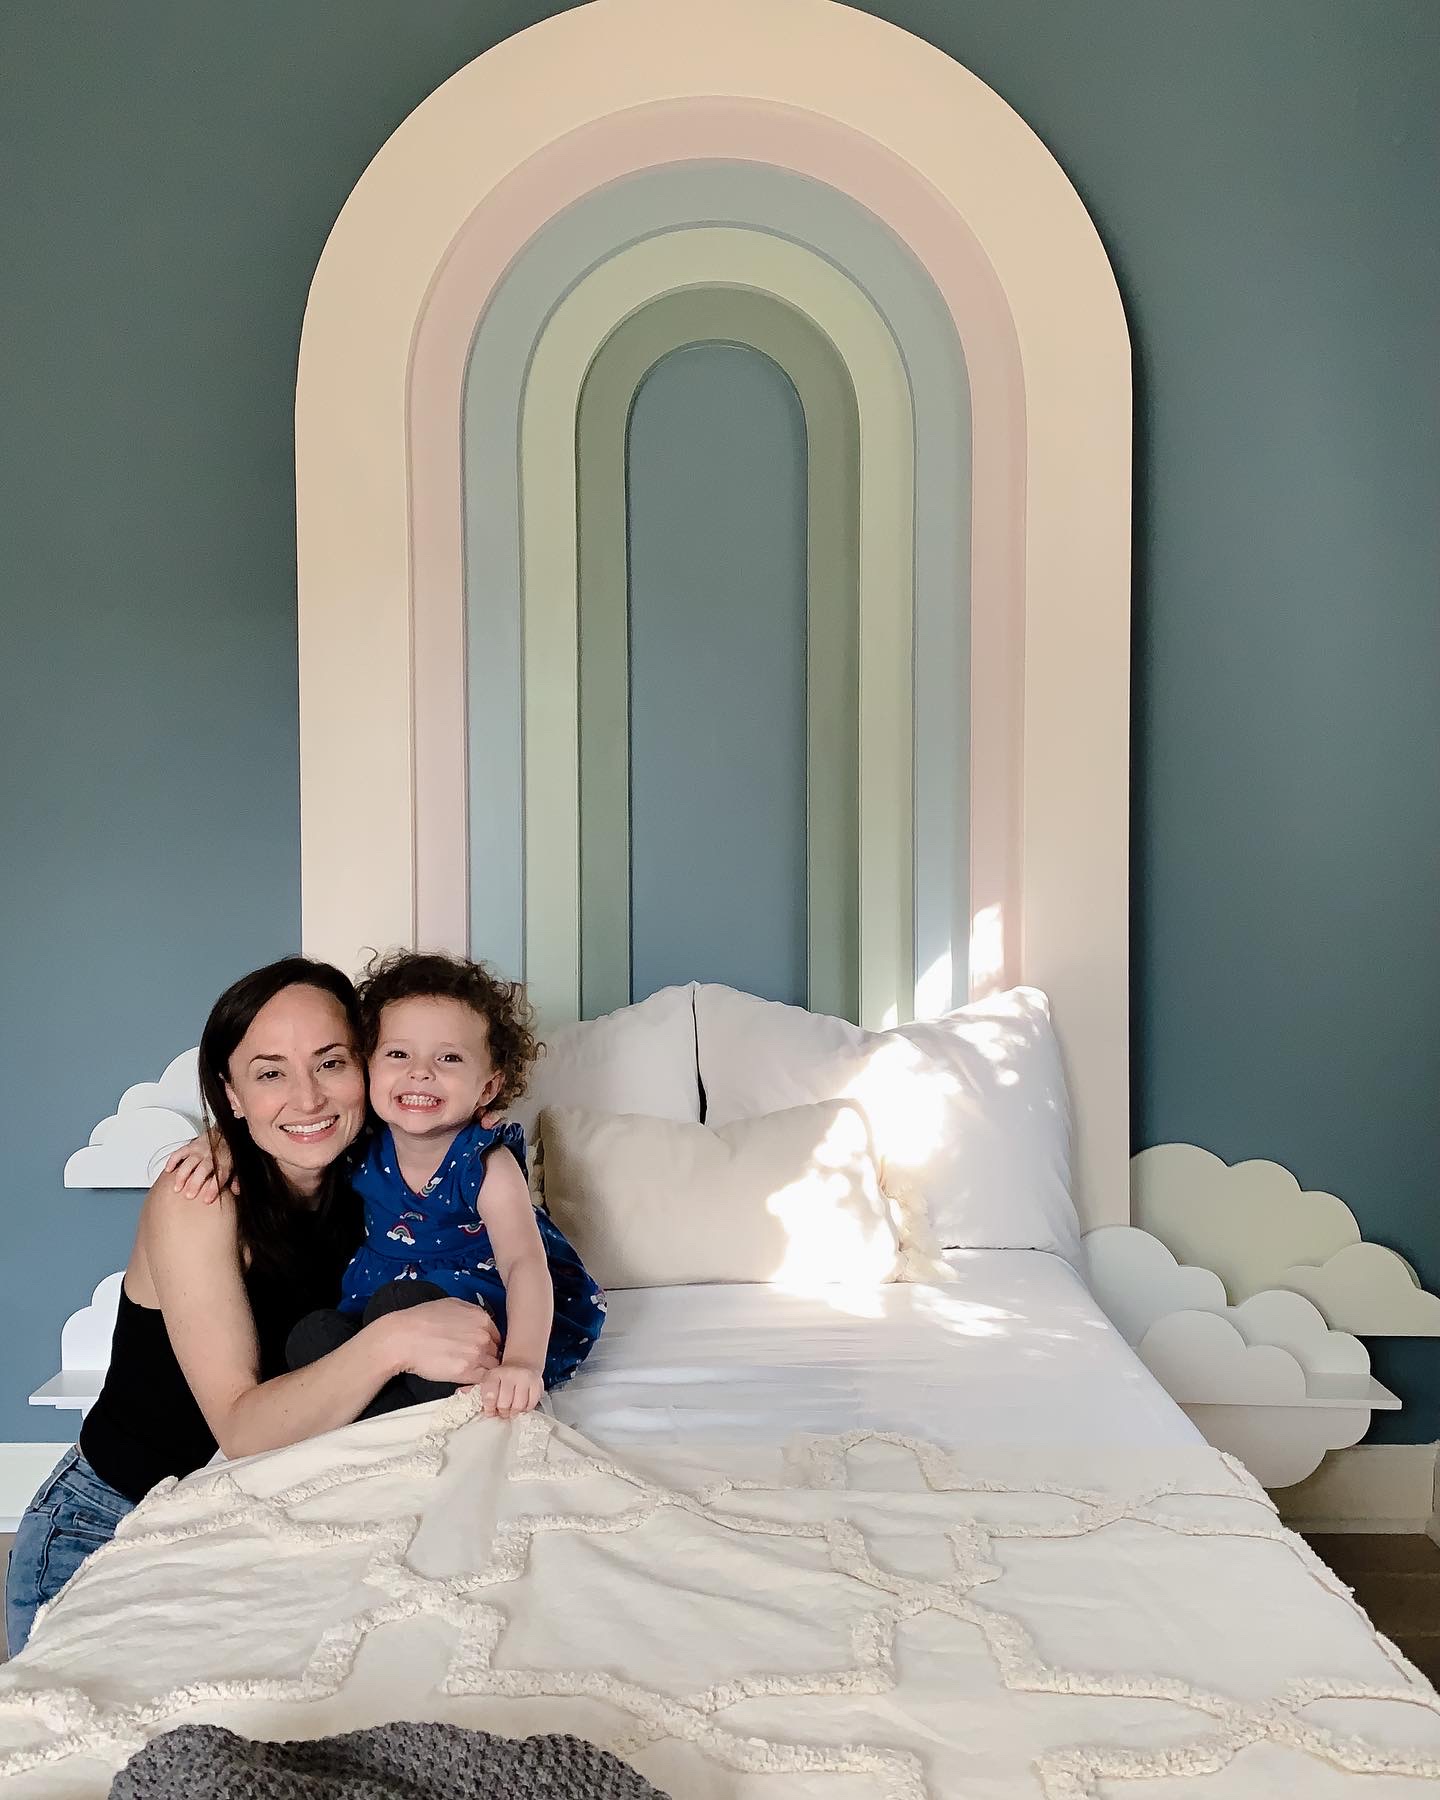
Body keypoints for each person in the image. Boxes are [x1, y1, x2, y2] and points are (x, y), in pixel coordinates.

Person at [3, 957, 501, 1658]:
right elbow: (240, 1427)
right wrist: (392, 1340)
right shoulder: (200, 1197)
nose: (308, 1098)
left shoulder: (380, 1175)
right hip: (111, 1522)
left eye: (331, 1063)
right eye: (270, 1073)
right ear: (231, 1095)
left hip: (246, 1514)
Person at [288, 951, 605, 1419]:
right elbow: (284, 1148)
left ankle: (422, 1403)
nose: (421, 1071)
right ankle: (392, 1406)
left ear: (488, 1087)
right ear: (366, 1068)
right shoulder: (360, 1142)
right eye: (398, 1054)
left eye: (450, 1058)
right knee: (312, 1336)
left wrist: (521, 1362)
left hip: (475, 1314)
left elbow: (523, 1264)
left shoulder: (485, 1164)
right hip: (378, 1312)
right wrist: (218, 1145)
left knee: (405, 1304)